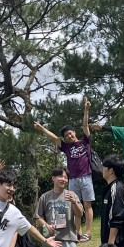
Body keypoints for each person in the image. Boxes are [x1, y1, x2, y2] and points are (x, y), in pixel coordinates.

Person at [35, 98, 96, 239]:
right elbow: (54, 138)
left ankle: (88, 232)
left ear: (74, 132)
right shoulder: (66, 147)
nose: (69, 136)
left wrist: (86, 110)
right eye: (66, 135)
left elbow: (85, 125)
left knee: (87, 205)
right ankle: (78, 232)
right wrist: (42, 128)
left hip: (86, 177)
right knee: (74, 206)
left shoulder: (84, 142)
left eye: (70, 133)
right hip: (73, 179)